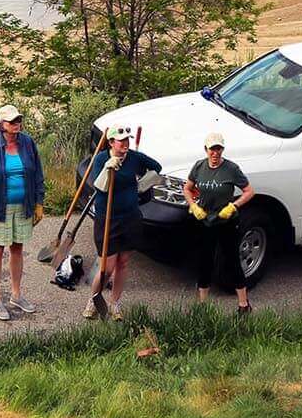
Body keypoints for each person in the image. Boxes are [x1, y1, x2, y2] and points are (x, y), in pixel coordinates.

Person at [79, 125, 164, 321]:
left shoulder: (134, 157)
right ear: (111, 142)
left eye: (127, 140)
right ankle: (94, 300)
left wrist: (143, 184)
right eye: (121, 140)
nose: (125, 143)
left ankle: (115, 304)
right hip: (108, 219)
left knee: (123, 264)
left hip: (130, 217)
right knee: (106, 267)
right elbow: (99, 188)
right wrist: (108, 168)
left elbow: (157, 168)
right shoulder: (101, 159)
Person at [0, 104, 45, 322]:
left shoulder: (28, 144)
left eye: (18, 121)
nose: (17, 125)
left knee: (17, 249)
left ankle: (16, 295)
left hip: (23, 205)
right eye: (12, 122)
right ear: (1, 125)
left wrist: (39, 202)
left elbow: (38, 174)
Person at [185, 132, 255, 314]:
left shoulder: (231, 169)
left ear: (222, 149)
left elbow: (249, 191)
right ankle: (202, 306)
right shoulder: (199, 166)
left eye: (218, 149)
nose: (215, 153)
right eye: (212, 149)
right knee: (204, 261)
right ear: (205, 150)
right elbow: (187, 188)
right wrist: (193, 205)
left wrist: (233, 206)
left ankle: (243, 304)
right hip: (205, 220)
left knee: (231, 261)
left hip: (225, 221)